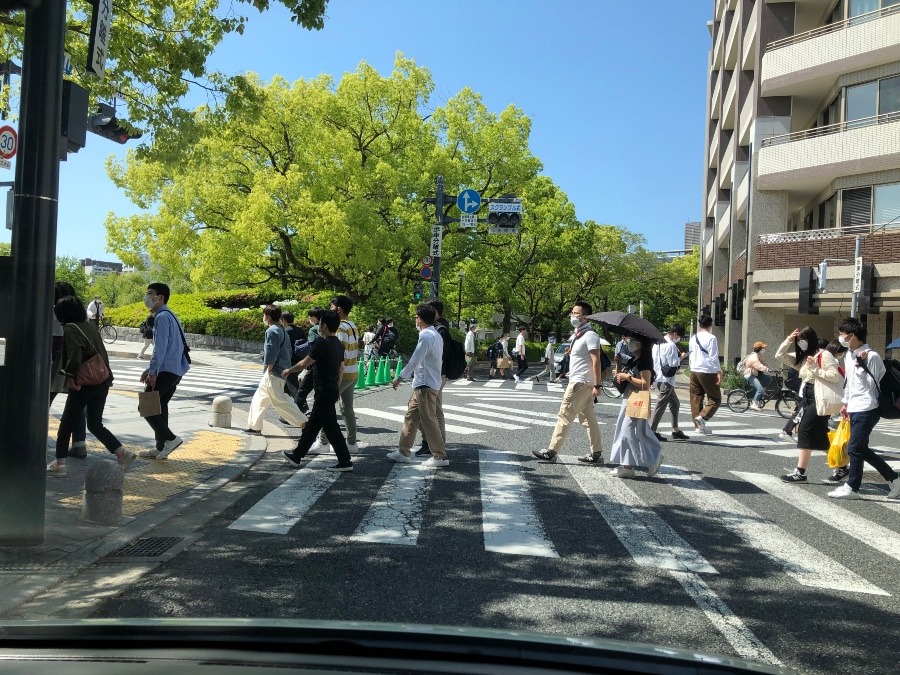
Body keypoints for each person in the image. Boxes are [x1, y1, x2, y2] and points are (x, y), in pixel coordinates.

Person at [46, 296, 135, 476]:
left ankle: (59, 464)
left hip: (84, 383)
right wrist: (107, 377)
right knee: (95, 423)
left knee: (67, 422)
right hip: (101, 381)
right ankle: (121, 453)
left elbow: (74, 356)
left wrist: (70, 378)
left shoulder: (71, 329)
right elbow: (101, 353)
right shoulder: (89, 326)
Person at [828, 317, 900, 500]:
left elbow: (872, 385)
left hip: (869, 407)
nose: (840, 337)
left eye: (843, 334)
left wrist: (863, 364)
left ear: (852, 336)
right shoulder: (850, 355)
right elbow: (849, 384)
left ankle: (852, 487)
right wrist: (846, 404)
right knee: (859, 448)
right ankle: (894, 478)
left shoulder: (872, 356)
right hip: (855, 406)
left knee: (854, 447)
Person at [532, 302, 603, 464]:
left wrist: (597, 384)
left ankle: (552, 450)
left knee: (564, 415)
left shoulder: (590, 335)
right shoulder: (578, 334)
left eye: (576, 313)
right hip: (582, 382)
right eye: (572, 312)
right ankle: (596, 451)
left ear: (586, 317)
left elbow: (596, 360)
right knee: (588, 419)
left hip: (580, 383)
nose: (573, 316)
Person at [282, 311, 354, 472]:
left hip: (323, 390)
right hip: (331, 389)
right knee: (314, 426)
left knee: (331, 427)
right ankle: (297, 455)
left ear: (324, 326)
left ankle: (345, 461)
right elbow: (341, 368)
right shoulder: (338, 345)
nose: (318, 326)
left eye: (320, 323)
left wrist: (289, 370)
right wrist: (336, 387)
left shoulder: (323, 343)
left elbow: (304, 363)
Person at [775, 327, 845, 484]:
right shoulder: (804, 357)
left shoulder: (824, 355)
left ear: (810, 339)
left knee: (804, 431)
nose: (800, 343)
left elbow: (833, 376)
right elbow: (779, 355)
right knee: (820, 435)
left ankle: (800, 473)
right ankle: (843, 466)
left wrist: (815, 368)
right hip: (807, 399)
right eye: (798, 340)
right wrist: (788, 340)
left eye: (802, 339)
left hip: (818, 399)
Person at [386, 303, 449, 468]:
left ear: (420, 319)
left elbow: (415, 359)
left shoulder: (426, 336)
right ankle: (403, 451)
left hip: (425, 385)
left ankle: (439, 456)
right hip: (425, 383)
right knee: (410, 416)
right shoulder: (435, 335)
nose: (415, 319)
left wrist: (400, 377)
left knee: (429, 420)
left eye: (416, 317)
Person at [139, 283, 191, 460]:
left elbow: (159, 348)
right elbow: (169, 348)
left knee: (146, 407)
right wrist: (150, 369)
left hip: (166, 370)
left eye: (150, 293)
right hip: (175, 369)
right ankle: (161, 448)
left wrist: (152, 372)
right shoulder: (171, 315)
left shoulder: (162, 317)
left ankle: (170, 439)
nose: (147, 297)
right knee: (160, 407)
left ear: (160, 297)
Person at [309, 295, 359, 455]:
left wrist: (335, 380)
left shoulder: (341, 327)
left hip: (342, 374)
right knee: (347, 409)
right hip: (354, 372)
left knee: (326, 406)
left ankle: (323, 442)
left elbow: (338, 354)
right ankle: (352, 442)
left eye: (331, 307)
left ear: (339, 309)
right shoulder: (352, 325)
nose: (329, 309)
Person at [245, 305, 308, 434]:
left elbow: (271, 352)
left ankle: (305, 423)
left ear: (267, 316)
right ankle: (254, 426)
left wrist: (269, 367)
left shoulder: (272, 331)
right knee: (259, 398)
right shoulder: (282, 330)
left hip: (274, 372)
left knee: (281, 402)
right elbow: (288, 351)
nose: (263, 318)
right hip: (280, 370)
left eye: (264, 315)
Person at [609, 336, 663, 478]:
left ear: (641, 344)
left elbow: (646, 383)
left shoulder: (644, 362)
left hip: (637, 398)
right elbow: (619, 378)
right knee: (632, 431)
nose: (629, 342)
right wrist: (618, 364)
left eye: (633, 340)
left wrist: (628, 377)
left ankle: (653, 456)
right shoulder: (633, 360)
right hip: (630, 397)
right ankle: (628, 466)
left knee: (630, 431)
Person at [49, 281, 87, 458]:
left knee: (43, 401)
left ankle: (36, 440)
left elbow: (54, 344)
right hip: (77, 365)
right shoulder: (80, 314)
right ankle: (79, 445)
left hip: (57, 366)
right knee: (77, 406)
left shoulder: (53, 312)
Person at [414, 298, 450, 458]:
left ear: (435, 312)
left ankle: (435, 445)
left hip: (433, 377)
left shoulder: (438, 330)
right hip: (434, 376)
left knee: (433, 412)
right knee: (432, 411)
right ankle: (433, 444)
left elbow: (436, 356)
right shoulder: (437, 329)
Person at [650, 324, 688, 442]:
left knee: (675, 403)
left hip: (659, 377)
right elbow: (673, 364)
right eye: (679, 336)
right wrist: (682, 357)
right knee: (660, 405)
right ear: (675, 334)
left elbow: (654, 360)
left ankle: (675, 429)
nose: (679, 339)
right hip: (667, 380)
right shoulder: (671, 346)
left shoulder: (657, 343)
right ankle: (652, 431)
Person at [688, 314, 722, 435]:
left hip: (694, 370)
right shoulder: (711, 338)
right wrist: (719, 371)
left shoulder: (693, 338)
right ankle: (702, 417)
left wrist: (692, 367)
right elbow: (713, 357)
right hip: (707, 370)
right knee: (715, 398)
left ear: (700, 324)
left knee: (696, 398)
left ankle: (698, 427)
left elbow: (691, 354)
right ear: (710, 325)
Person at [294, 307, 323, 414]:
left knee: (302, 390)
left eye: (310, 316)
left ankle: (293, 414)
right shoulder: (327, 327)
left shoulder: (313, 330)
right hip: (327, 365)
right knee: (319, 391)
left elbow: (312, 348)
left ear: (314, 317)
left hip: (314, 365)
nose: (309, 318)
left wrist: (308, 362)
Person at [280, 311, 307, 397]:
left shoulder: (285, 331)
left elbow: (282, 347)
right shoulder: (300, 330)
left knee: (293, 385)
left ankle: (302, 407)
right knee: (289, 383)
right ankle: (283, 402)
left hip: (290, 362)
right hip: (301, 361)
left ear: (284, 320)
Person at [742, 341, 773, 411]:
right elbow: (759, 366)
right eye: (763, 348)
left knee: (769, 378)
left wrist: (772, 369)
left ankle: (761, 391)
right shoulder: (754, 357)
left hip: (755, 374)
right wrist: (767, 370)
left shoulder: (758, 355)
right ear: (759, 348)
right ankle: (754, 404)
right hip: (749, 375)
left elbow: (764, 363)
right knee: (759, 389)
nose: (764, 349)